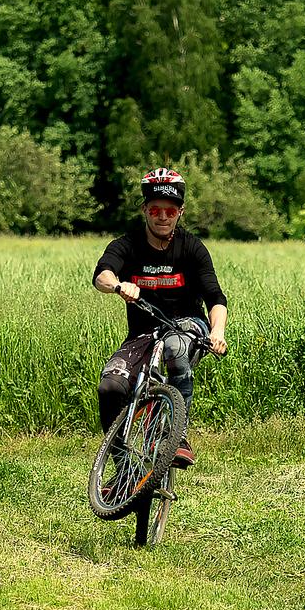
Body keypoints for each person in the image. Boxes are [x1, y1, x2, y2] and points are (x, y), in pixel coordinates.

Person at [92, 168, 228, 467]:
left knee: (174, 350)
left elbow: (216, 298)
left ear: (180, 212)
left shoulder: (192, 248)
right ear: (145, 210)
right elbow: (101, 275)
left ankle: (174, 436)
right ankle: (122, 467)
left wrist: (217, 332)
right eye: (155, 209)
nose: (162, 216)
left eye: (170, 210)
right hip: (144, 332)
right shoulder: (126, 245)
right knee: (110, 387)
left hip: (188, 327)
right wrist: (117, 285)